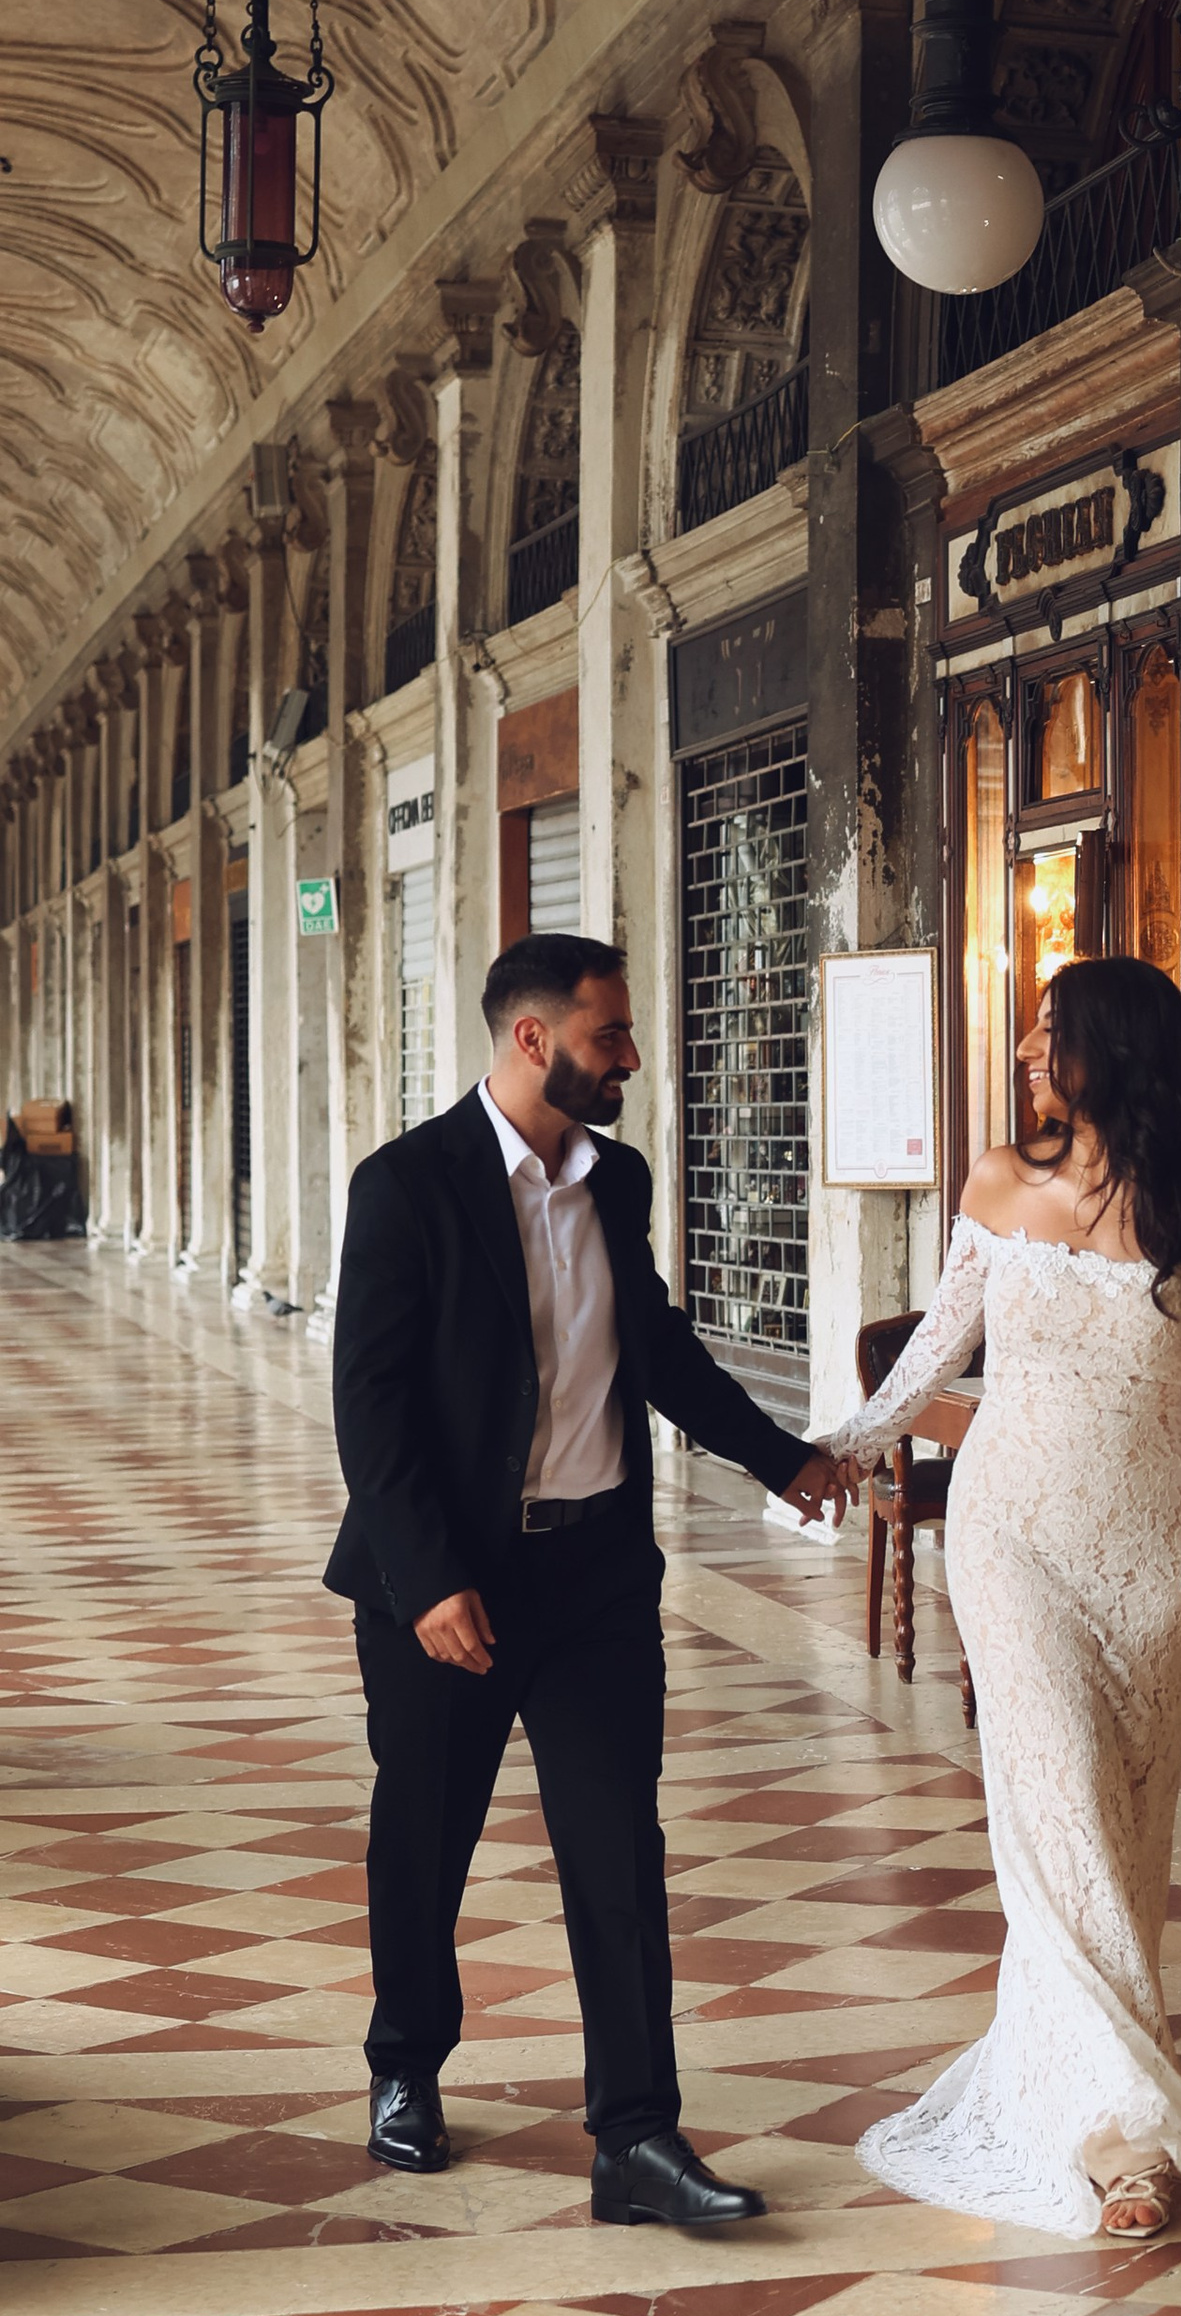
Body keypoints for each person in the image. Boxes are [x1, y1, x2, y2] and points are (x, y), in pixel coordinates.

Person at [327, 934, 848, 2223]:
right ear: (532, 1040)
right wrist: (430, 1577)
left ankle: (635, 2139)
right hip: (447, 1588)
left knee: (619, 1853)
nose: (629, 1059)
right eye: (609, 1036)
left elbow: (654, 1346)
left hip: (597, 1579)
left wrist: (779, 1458)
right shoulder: (407, 1185)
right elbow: (371, 1406)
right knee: (425, 1837)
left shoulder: (615, 1180)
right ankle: (405, 2069)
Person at [834, 955, 1181, 2240]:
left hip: (1156, 1548)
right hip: (1012, 1533)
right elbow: (940, 1350)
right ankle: (1119, 2137)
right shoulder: (997, 1181)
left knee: (1126, 1817)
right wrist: (843, 1446)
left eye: (1051, 1035)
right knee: (1058, 1809)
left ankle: (1101, 2090)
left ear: (1116, 1050)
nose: (1031, 1054)